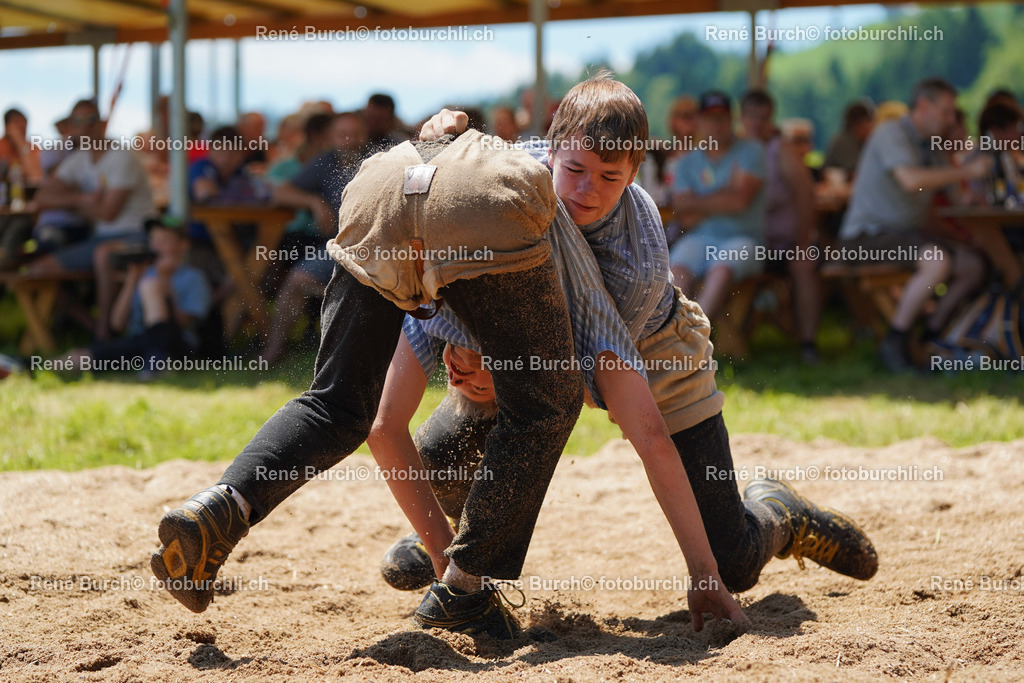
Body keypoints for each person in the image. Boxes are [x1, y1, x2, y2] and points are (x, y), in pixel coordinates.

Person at [376, 75, 878, 626]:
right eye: (575, 170)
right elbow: (451, 177)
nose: (587, 189)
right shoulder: (511, 178)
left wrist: (702, 577)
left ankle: (779, 513)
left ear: (637, 171)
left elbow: (619, 402)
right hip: (521, 340)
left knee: (731, 561)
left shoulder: (637, 258)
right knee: (439, 459)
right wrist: (444, 136)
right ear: (551, 147)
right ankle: (461, 541)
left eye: (610, 177)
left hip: (653, 347)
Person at [151, 130, 587, 642]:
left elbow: (383, 423)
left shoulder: (522, 150)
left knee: (335, 403)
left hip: (380, 185)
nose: (588, 183)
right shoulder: (577, 188)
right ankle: (465, 592)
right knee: (546, 403)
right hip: (474, 201)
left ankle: (222, 507)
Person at [837, 78, 993, 372]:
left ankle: (929, 337)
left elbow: (960, 199)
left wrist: (978, 180)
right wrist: (964, 169)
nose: (950, 119)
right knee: (937, 261)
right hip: (864, 238)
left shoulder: (932, 146)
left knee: (973, 265)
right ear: (924, 106)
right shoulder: (890, 133)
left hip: (904, 237)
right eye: (946, 112)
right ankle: (895, 342)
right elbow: (911, 180)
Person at [29, 98, 156, 339]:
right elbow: (42, 197)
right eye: (78, 121)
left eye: (90, 120)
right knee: (37, 269)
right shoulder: (79, 159)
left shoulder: (121, 156)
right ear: (72, 126)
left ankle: (105, 334)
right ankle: (95, 328)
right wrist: (83, 200)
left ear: (103, 124)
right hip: (99, 237)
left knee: (103, 255)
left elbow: (108, 213)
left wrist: (72, 203)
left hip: (135, 234)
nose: (85, 127)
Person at [262, 111, 370, 364]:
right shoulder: (326, 161)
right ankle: (273, 352)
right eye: (343, 135)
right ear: (331, 138)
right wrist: (314, 201)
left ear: (365, 135)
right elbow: (280, 193)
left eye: (356, 134)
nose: (350, 140)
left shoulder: (380, 158)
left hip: (381, 246)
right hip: (340, 247)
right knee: (296, 280)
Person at [66, 215, 211, 375]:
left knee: (150, 286)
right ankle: (38, 366)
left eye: (164, 241)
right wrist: (131, 281)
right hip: (140, 343)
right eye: (154, 240)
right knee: (79, 358)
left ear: (183, 245)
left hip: (178, 346)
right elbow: (117, 324)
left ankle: (157, 360)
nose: (157, 247)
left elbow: (184, 323)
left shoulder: (193, 277)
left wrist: (165, 281)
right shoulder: (145, 274)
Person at [670, 91, 767, 323]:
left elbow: (740, 201)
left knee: (721, 269)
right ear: (700, 121)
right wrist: (727, 193)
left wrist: (699, 202)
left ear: (732, 119)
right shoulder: (688, 161)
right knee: (677, 272)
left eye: (722, 117)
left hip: (745, 238)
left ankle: (695, 341)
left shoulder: (752, 150)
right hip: (699, 236)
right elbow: (682, 212)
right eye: (710, 118)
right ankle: (672, 340)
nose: (717, 124)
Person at [740, 90, 822, 362]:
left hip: (785, 242)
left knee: (804, 263)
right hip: (750, 243)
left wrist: (802, 239)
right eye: (752, 117)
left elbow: (805, 194)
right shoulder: (736, 152)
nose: (757, 124)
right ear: (742, 118)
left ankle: (807, 342)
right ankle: (726, 337)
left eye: (763, 118)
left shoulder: (780, 151)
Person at [824, 101, 874, 180]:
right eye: (869, 122)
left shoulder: (862, 141)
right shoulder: (844, 142)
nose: (872, 128)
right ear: (859, 124)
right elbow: (856, 173)